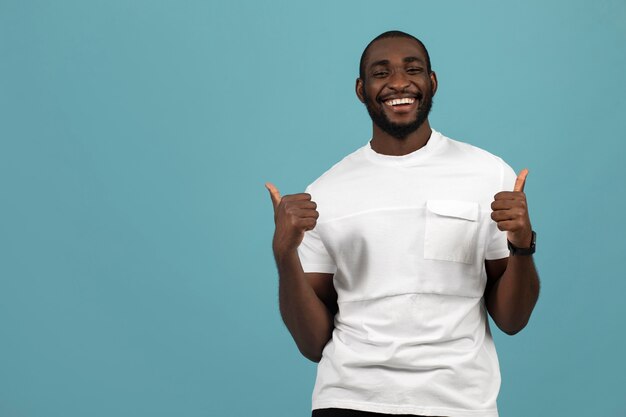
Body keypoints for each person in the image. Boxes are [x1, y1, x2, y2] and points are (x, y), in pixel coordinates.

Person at [266, 30, 540, 417]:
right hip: (349, 400)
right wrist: (284, 255)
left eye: (412, 69)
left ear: (432, 82)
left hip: (459, 404)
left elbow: (512, 320)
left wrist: (522, 246)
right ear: (361, 90)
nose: (398, 82)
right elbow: (313, 345)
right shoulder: (324, 193)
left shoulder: (487, 174)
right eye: (381, 73)